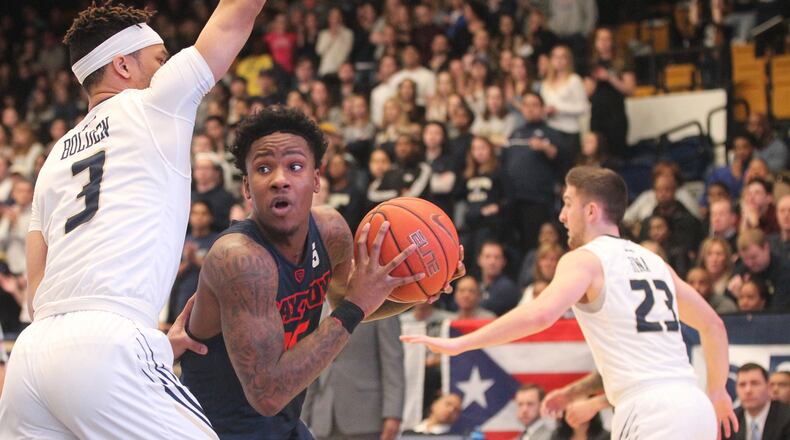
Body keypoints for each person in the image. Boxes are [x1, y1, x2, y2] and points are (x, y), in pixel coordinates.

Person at [0, 0, 268, 437]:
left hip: (31, 359)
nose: (166, 68)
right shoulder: (156, 103)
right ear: (123, 65)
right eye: (160, 59)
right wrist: (122, 346)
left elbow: (36, 294)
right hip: (108, 342)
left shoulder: (51, 162)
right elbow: (237, 15)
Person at [180, 107, 462, 438]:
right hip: (214, 431)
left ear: (316, 179)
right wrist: (356, 304)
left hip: (282, 427)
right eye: (263, 168)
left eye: (295, 166)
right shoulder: (239, 259)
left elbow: (351, 307)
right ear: (246, 187)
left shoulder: (331, 232)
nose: (279, 179)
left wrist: (416, 289)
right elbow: (267, 394)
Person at [403, 166, 738, 440]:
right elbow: (713, 325)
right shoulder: (654, 262)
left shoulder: (584, 260)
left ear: (590, 210)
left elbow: (540, 314)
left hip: (652, 412)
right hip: (691, 404)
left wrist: (463, 342)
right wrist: (718, 391)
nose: (562, 216)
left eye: (567, 203)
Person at [302, 316, 405, 440]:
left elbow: (392, 363)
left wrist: (392, 414)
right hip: (324, 419)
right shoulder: (319, 309)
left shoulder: (383, 309)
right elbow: (311, 367)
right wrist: (302, 417)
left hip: (366, 418)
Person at [725, 363, 790, 440]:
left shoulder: (787, 418)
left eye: (754, 383)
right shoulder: (729, 420)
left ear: (769, 387)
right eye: (742, 384)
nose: (748, 390)